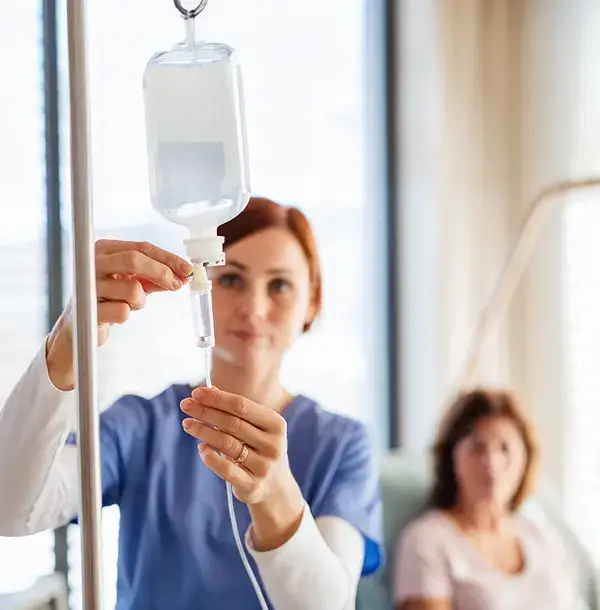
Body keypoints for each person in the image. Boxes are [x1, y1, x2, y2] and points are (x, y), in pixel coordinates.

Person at [0, 196, 383, 610]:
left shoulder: (341, 445)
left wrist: (276, 496)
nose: (253, 308)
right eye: (232, 279)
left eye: (280, 285)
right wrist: (66, 346)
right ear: (200, 284)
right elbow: (11, 507)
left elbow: (328, 605)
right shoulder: (142, 427)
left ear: (312, 302)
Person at [394, 388, 580, 610]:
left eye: (505, 448)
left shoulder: (541, 534)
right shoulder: (428, 540)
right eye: (477, 448)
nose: (492, 464)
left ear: (526, 458)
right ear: (451, 457)